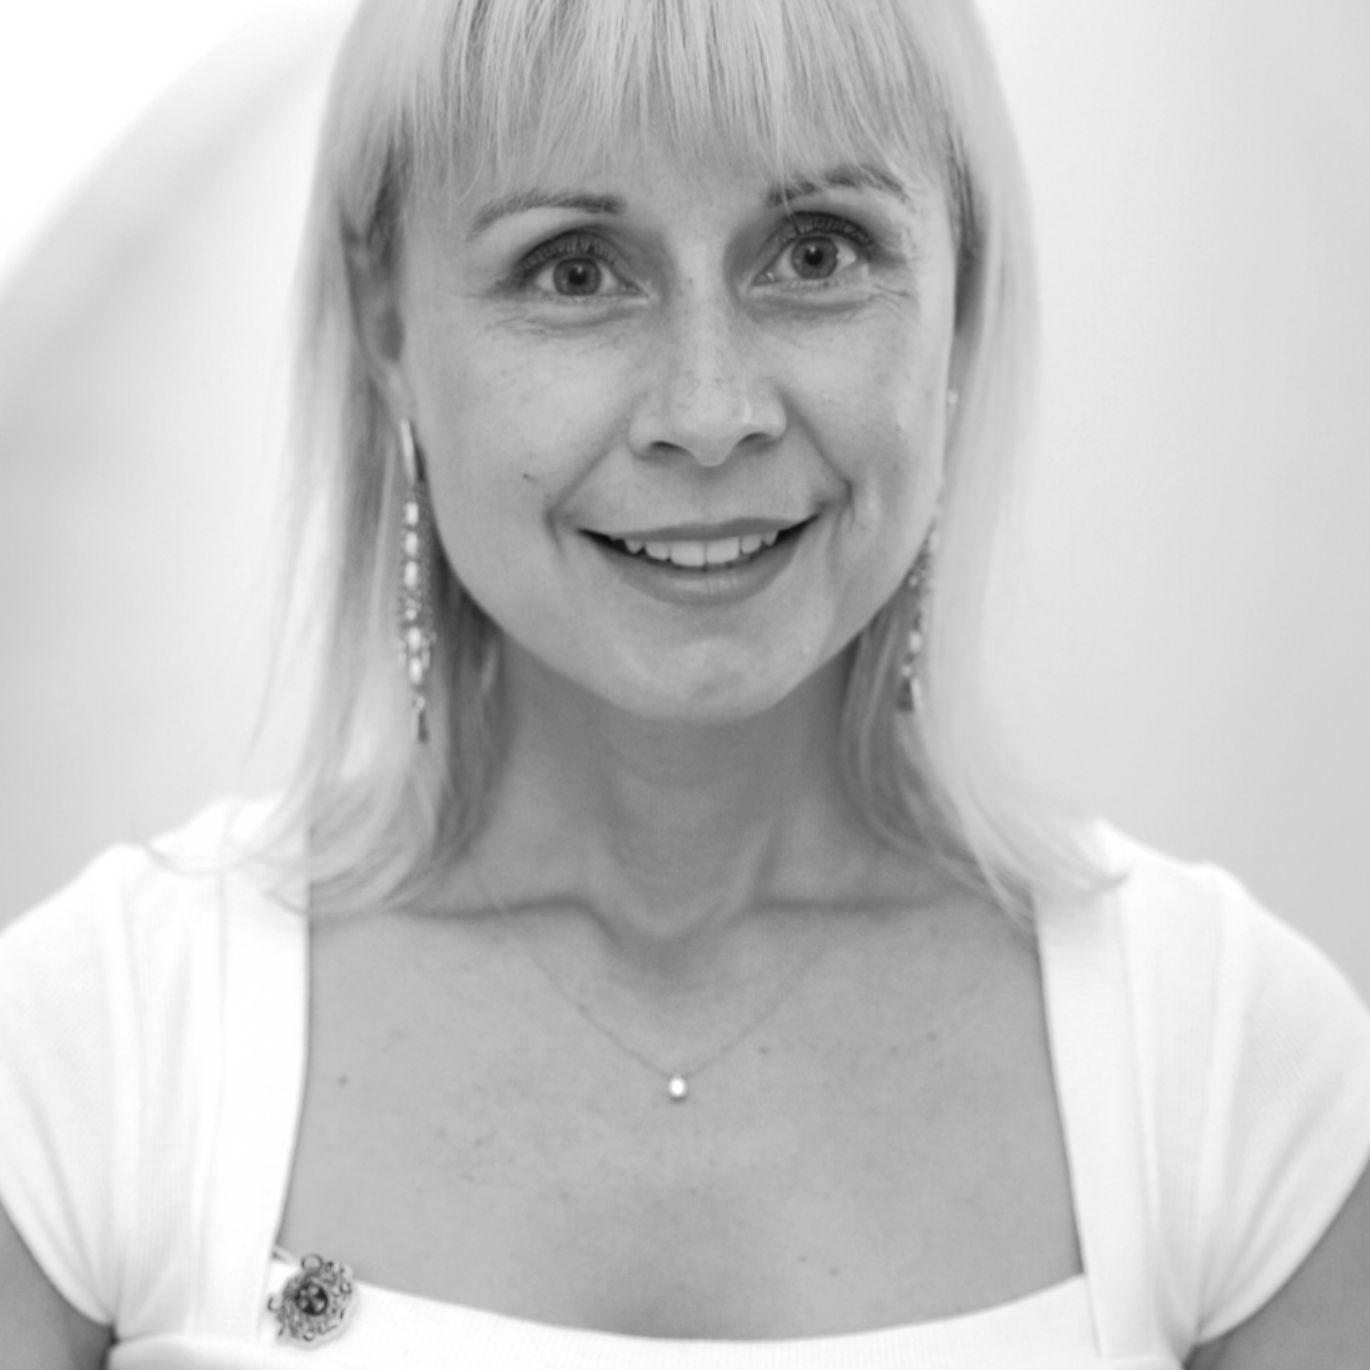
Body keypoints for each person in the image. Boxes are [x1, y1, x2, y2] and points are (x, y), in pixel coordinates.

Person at [2, 0, 1368, 1365]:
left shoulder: (1233, 1072)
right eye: (574, 270)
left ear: (962, 297)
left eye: (816, 251)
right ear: (387, 318)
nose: (710, 413)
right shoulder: (90, 1055)